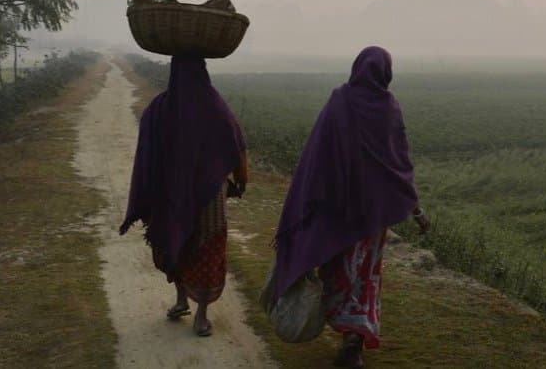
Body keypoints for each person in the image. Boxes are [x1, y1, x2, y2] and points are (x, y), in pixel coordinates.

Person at [271, 46, 431, 368]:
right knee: (365, 275)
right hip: (372, 218)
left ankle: (349, 336)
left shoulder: (339, 102)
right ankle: (353, 340)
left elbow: (316, 156)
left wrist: (306, 203)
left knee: (339, 271)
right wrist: (415, 209)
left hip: (337, 213)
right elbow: (398, 164)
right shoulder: (389, 108)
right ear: (386, 72)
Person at [119, 56, 249, 337]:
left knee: (177, 242)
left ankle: (190, 305)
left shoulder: (159, 108)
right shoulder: (215, 106)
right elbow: (238, 150)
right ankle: (196, 311)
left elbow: (145, 159)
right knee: (204, 248)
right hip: (205, 198)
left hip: (178, 195)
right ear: (203, 72)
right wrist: (241, 181)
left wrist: (147, 192)